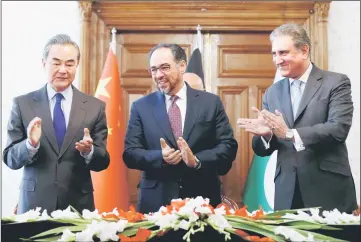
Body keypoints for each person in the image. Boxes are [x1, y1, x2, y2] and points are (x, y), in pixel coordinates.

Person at [237, 23, 357, 213]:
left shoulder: (335, 82)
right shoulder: (272, 92)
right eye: (274, 54)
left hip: (328, 189)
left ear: (304, 51)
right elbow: (263, 150)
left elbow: (338, 128)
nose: (277, 60)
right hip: (287, 191)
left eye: (283, 53)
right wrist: (267, 135)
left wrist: (290, 134)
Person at [123, 43, 238, 213]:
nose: (158, 75)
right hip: (156, 203)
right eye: (153, 70)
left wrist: (197, 160)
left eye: (164, 68)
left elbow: (228, 147)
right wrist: (160, 156)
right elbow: (130, 153)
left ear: (182, 66)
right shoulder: (141, 106)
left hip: (202, 201)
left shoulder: (210, 103)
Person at [3, 34, 110, 214]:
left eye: (69, 64)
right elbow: (10, 158)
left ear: (77, 65)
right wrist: (30, 144)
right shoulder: (23, 104)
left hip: (78, 206)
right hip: (34, 206)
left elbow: (103, 161)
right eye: (56, 63)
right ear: (44, 63)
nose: (63, 69)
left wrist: (89, 151)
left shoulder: (95, 107)